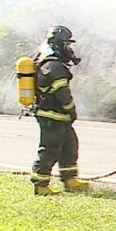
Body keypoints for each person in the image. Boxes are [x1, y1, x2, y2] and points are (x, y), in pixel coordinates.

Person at [29, 25, 90, 195]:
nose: (68, 49)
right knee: (50, 149)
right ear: (57, 44)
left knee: (69, 146)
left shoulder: (51, 62)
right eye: (66, 45)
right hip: (51, 115)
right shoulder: (53, 65)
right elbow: (62, 92)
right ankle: (40, 185)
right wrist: (71, 110)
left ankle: (69, 180)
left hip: (59, 116)